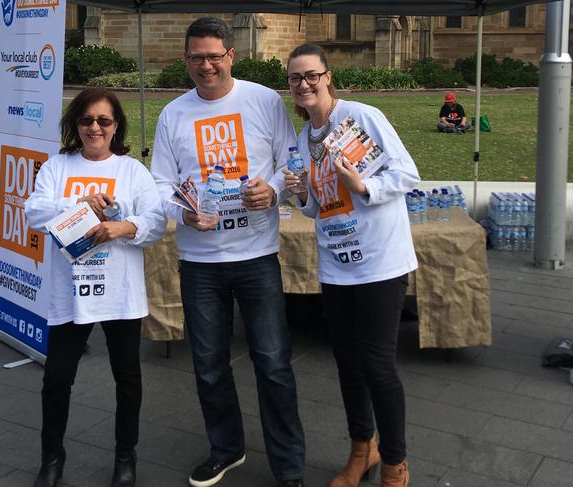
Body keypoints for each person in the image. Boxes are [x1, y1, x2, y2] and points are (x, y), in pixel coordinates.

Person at [150, 16, 306, 487]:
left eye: (214, 56)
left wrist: (274, 190)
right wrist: (184, 212)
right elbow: (159, 183)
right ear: (186, 59)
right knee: (209, 365)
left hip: (256, 255)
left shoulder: (262, 100)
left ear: (231, 56)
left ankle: (289, 467)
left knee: (274, 365)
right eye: (197, 57)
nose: (206, 65)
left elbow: (289, 158)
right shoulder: (172, 115)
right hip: (199, 262)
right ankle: (227, 448)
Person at [283, 44, 419, 487]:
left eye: (311, 76)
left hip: (379, 261)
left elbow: (406, 174)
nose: (304, 85)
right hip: (337, 263)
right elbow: (316, 209)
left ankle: (396, 463)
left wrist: (363, 184)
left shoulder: (361, 117)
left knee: (378, 364)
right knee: (347, 363)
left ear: (327, 76)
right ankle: (363, 448)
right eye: (295, 79)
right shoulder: (303, 141)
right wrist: (302, 192)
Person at [25, 88, 166, 487]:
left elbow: (155, 221)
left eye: (104, 120)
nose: (94, 127)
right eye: (86, 120)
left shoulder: (131, 171)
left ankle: (126, 457)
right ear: (76, 124)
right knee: (56, 379)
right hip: (69, 291)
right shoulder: (58, 166)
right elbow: (34, 211)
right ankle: (51, 457)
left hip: (119, 292)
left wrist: (126, 226)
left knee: (128, 378)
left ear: (116, 125)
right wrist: (79, 206)